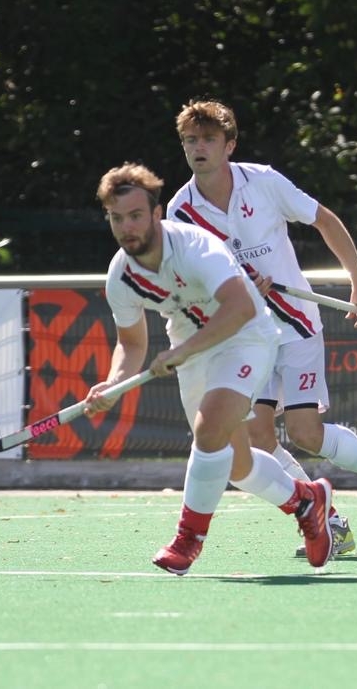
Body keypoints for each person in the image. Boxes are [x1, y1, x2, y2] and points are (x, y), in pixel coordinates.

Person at [165, 99, 357, 556]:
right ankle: (330, 520)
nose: (199, 148)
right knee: (257, 438)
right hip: (246, 336)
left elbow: (324, 220)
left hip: (296, 324)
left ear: (229, 144)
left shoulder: (263, 182)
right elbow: (192, 283)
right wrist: (233, 292)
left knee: (307, 433)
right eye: (191, 140)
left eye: (209, 139)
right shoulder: (181, 212)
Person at [84, 162, 335, 575]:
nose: (127, 227)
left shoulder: (195, 248)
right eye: (116, 218)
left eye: (135, 216)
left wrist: (183, 351)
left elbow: (238, 307)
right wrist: (114, 383)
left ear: (156, 213)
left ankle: (187, 540)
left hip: (246, 337)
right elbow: (131, 344)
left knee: (208, 428)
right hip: (193, 347)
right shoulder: (121, 275)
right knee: (236, 464)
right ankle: (307, 502)